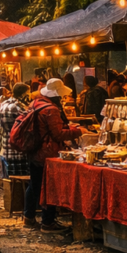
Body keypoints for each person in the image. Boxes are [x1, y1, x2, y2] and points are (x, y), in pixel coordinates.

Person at [22, 78, 83, 233]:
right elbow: (57, 134)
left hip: (34, 150)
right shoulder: (52, 109)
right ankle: (47, 222)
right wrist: (79, 131)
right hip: (47, 153)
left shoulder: (35, 104)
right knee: (49, 187)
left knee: (34, 184)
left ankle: (28, 217)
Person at [0, 83, 30, 178]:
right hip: (18, 150)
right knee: (20, 182)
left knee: (10, 180)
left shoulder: (3, 105)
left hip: (5, 148)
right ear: (23, 94)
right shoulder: (18, 107)